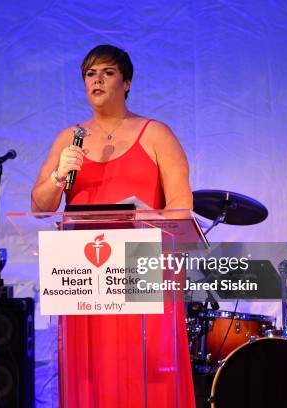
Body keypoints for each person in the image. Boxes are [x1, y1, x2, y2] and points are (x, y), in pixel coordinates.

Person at [31, 44, 195, 408]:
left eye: (107, 72)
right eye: (90, 74)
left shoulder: (155, 134)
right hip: (82, 270)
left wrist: (141, 219)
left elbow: (182, 209)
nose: (97, 80)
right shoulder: (68, 139)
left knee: (139, 375)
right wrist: (59, 175)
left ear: (127, 82)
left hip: (140, 266)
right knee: (90, 374)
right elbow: (40, 208)